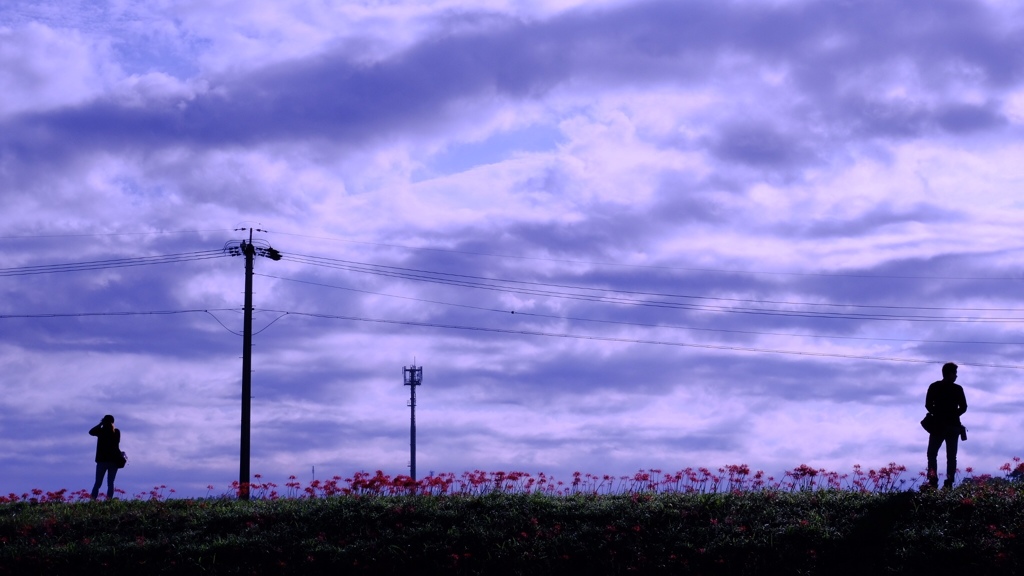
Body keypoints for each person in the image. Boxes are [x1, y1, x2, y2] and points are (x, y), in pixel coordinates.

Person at [925, 363, 967, 489]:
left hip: (938, 425)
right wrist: (953, 414)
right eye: (955, 373)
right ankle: (949, 482)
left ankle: (933, 481)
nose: (956, 376)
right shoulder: (958, 389)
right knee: (951, 456)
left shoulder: (934, 387)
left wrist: (937, 413)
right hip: (953, 426)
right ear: (949, 374)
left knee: (932, 453)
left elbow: (927, 405)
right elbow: (964, 407)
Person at [89, 414, 122, 500]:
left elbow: (91, 432)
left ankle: (93, 499)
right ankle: (109, 499)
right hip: (113, 461)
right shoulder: (116, 432)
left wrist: (100, 424)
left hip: (102, 461)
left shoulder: (101, 431)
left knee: (97, 483)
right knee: (110, 483)